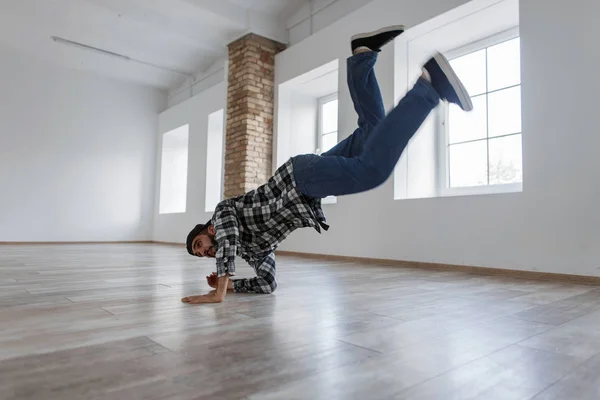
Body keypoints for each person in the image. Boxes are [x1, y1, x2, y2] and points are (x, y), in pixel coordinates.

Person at [182, 25, 473, 304]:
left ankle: (430, 86)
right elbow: (267, 283)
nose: (204, 253)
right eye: (200, 256)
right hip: (305, 179)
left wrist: (219, 290)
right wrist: (234, 285)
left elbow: (228, 236)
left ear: (207, 231)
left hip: (299, 181)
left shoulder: (222, 215)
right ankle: (361, 58)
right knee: (371, 130)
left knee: (371, 172)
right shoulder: (253, 249)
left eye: (199, 246)